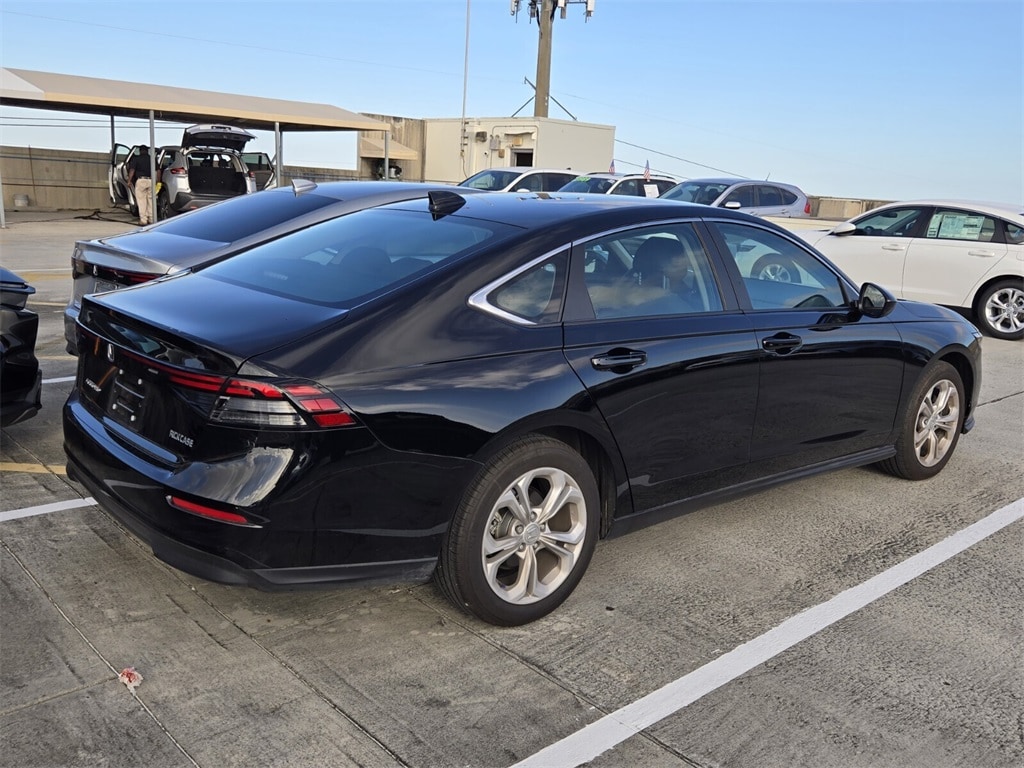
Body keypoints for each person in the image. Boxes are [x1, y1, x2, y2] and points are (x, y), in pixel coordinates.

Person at [127, 145, 154, 225]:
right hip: (151, 180)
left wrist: (129, 181)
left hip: (141, 180)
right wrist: (157, 181)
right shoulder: (152, 159)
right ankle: (152, 219)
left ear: (140, 151)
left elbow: (132, 170)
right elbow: (158, 171)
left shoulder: (136, 159)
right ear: (147, 151)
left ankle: (143, 220)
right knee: (151, 200)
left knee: (141, 201)